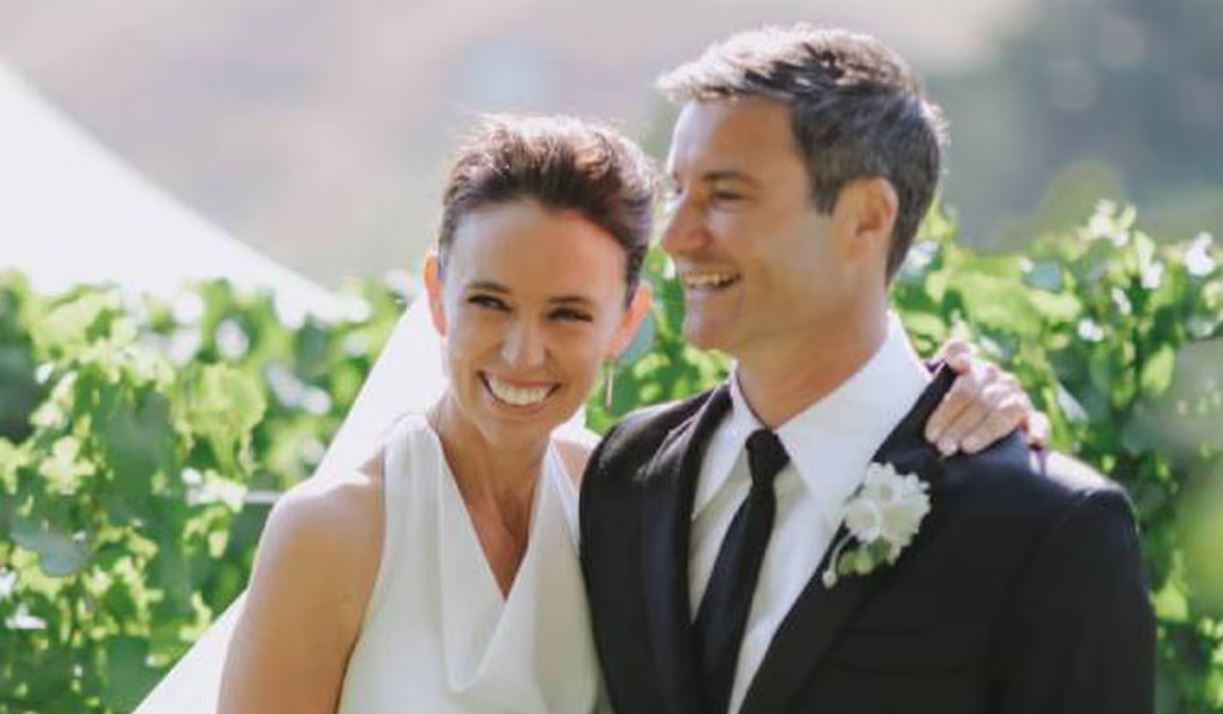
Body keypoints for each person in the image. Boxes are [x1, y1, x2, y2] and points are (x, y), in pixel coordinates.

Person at [208, 114, 1044, 713]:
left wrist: (966, 396)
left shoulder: (630, 495)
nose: (522, 353)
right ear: (436, 294)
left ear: (626, 322)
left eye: (567, 313)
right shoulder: (336, 531)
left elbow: (808, 418)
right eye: (490, 303)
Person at [579, 26, 1156, 714]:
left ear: (865, 218)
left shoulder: (1048, 530)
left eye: (725, 196)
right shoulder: (627, 473)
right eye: (677, 190)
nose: (674, 236)